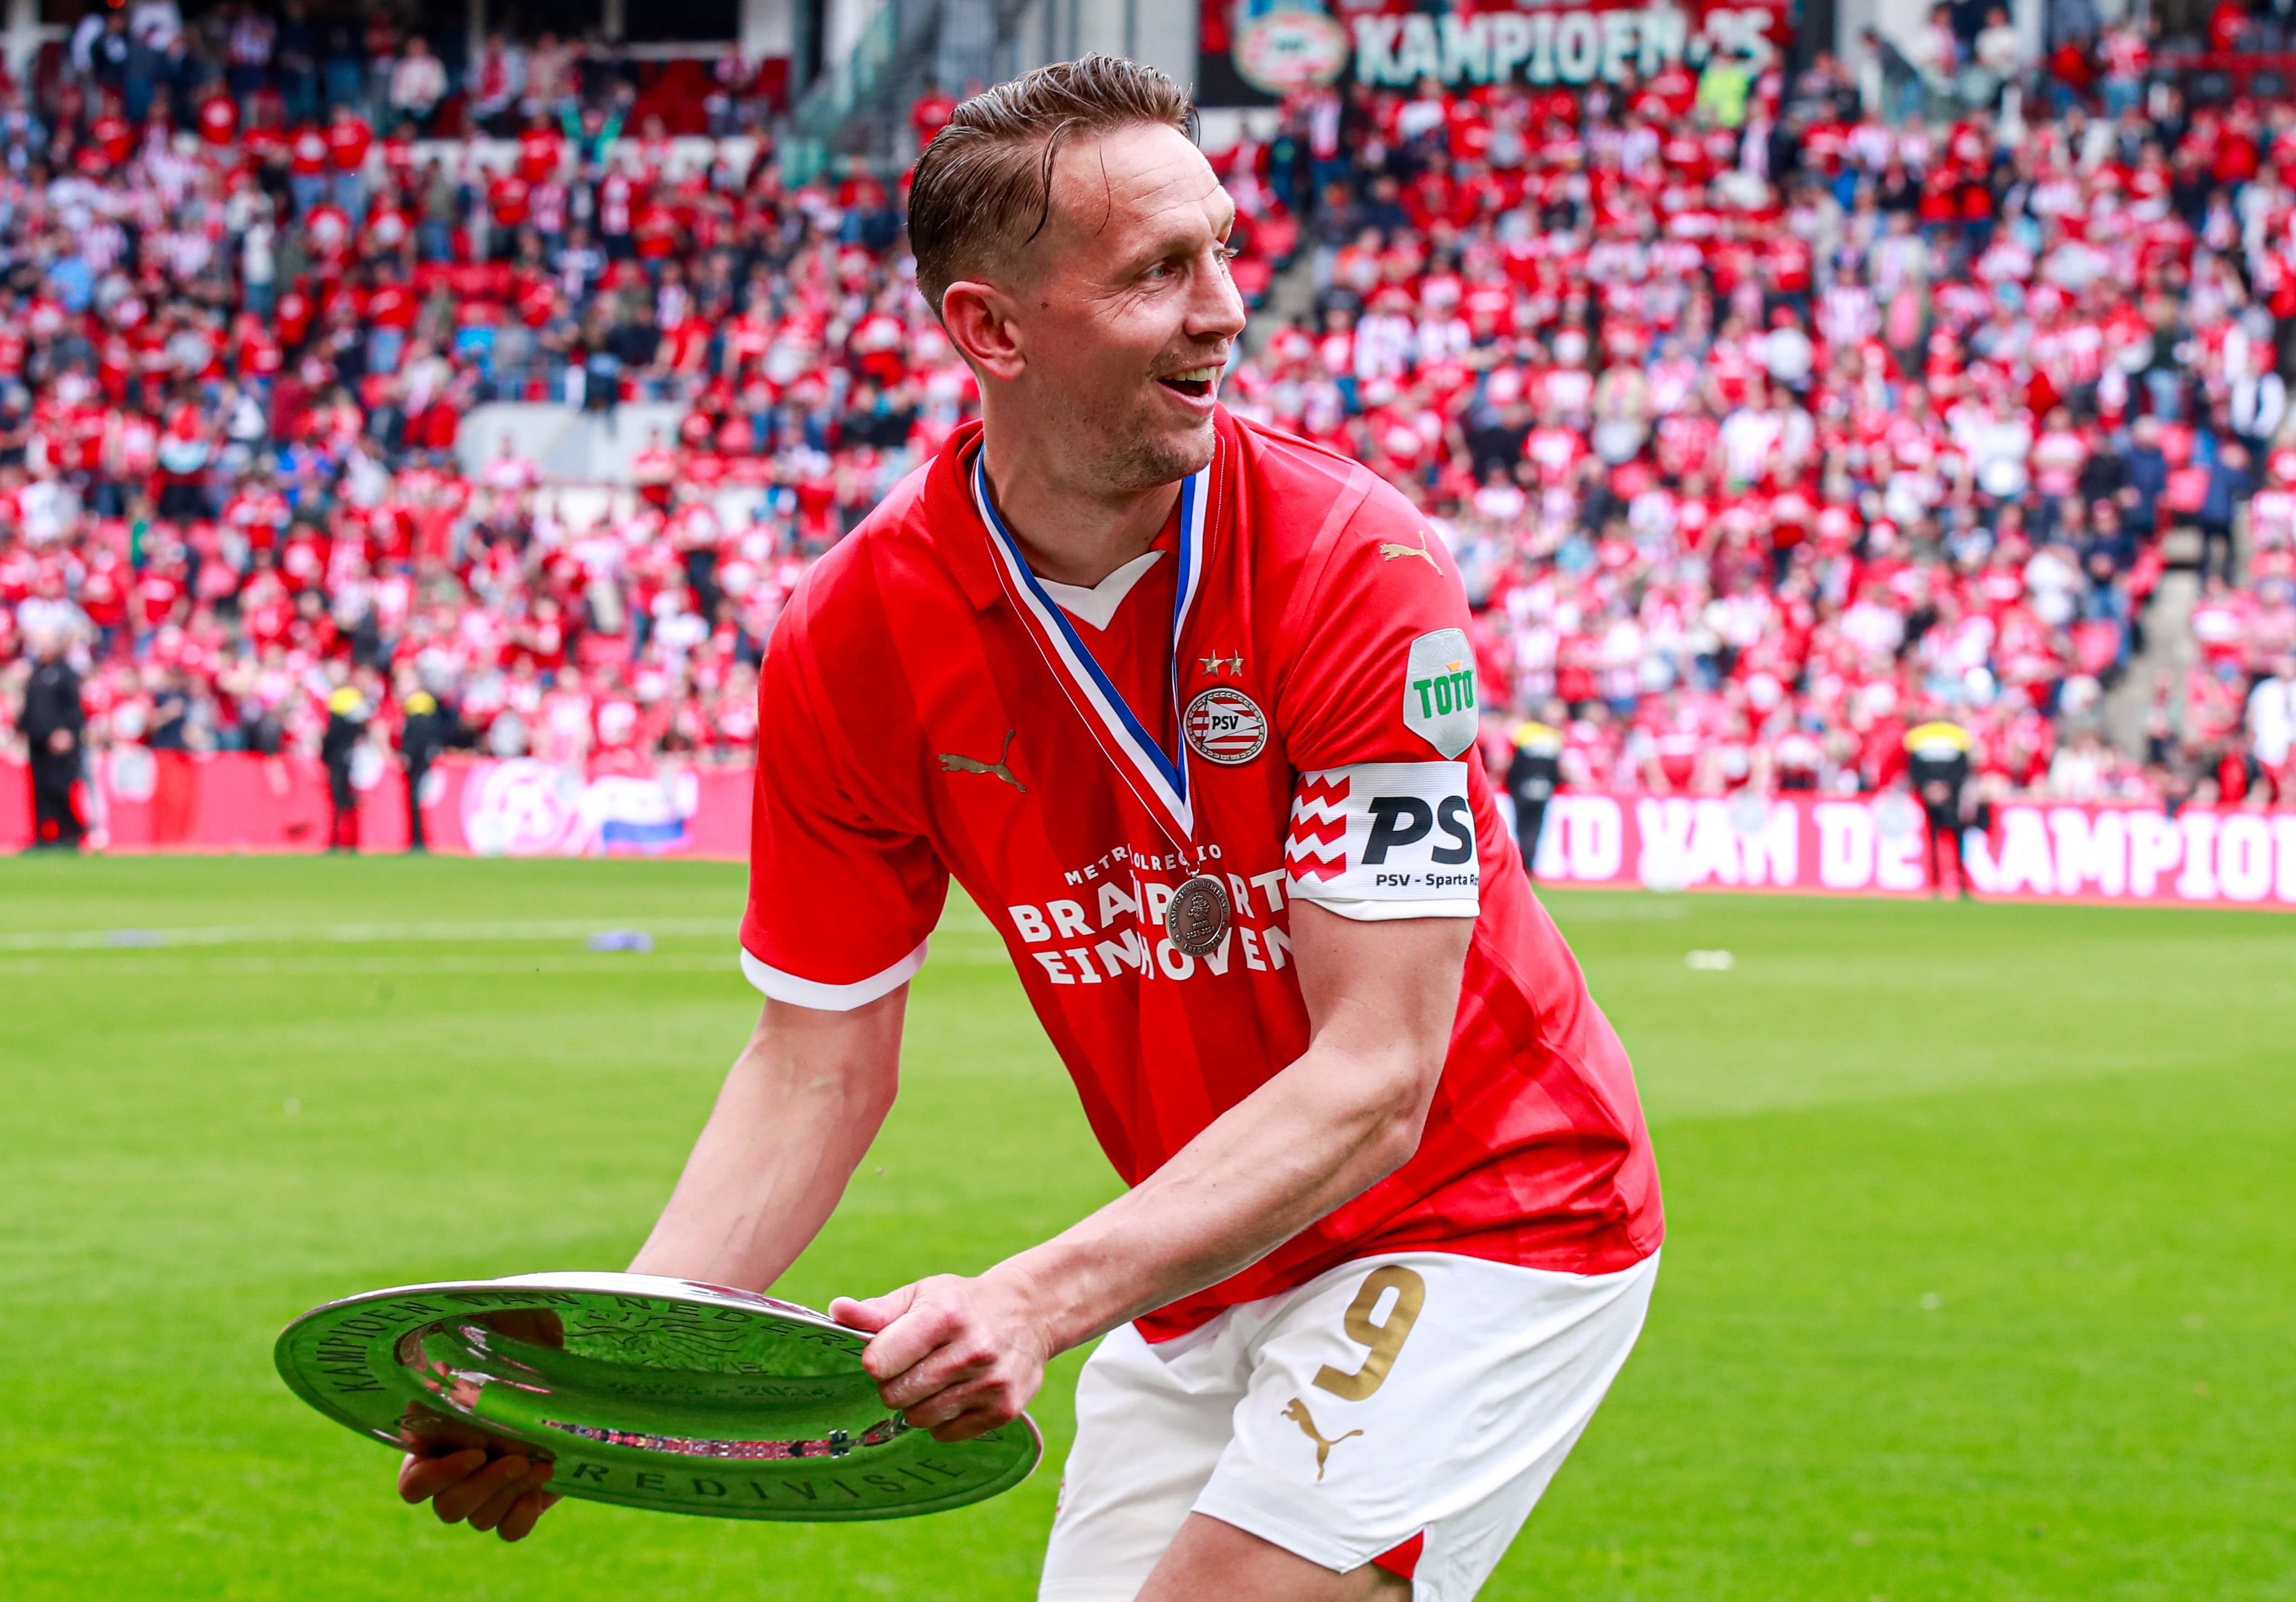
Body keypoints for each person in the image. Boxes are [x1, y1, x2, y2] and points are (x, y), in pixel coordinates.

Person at [391, 60, 1662, 1600]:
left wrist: (1036, 1297)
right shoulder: (856, 633)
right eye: (1159, 272)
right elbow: (814, 1062)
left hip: (1486, 1216)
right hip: (1205, 1266)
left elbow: (1379, 1078)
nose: (1225, 311)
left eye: (1222, 251)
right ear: (989, 329)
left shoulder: (1357, 566)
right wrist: (610, 1376)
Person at [20, 638, 86, 849]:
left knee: (59, 788)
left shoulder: (66, 674)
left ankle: (70, 831)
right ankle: (42, 834)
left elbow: (74, 709)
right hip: (37, 740)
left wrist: (67, 733)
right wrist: (21, 728)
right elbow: (30, 707)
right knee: (39, 790)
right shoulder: (36, 674)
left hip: (59, 742)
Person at [1904, 715, 1975, 899]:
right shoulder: (1953, 740)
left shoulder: (1926, 741)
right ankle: (1937, 882)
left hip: (1952, 800)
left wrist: (1942, 788)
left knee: (1956, 840)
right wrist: (1931, 788)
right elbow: (1914, 771)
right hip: (1937, 800)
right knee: (1935, 841)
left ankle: (1961, 883)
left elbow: (1963, 771)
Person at [1502, 703, 1566, 877]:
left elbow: (1509, 760)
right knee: (1535, 829)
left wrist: (1509, 783)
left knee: (1520, 827)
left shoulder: (1522, 732)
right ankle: (1529, 866)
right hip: (1544, 787)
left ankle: (1521, 866)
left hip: (1522, 786)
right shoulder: (1554, 737)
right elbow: (1558, 769)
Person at [396, 673, 444, 852]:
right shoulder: (426, 703)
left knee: (416, 801)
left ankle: (418, 841)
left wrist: (407, 753)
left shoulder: (417, 704)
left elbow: (416, 733)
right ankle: (421, 840)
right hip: (427, 760)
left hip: (419, 762)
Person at [321, 683, 369, 852]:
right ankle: (351, 840)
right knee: (348, 802)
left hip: (340, 763)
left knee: (340, 802)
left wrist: (325, 759)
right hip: (351, 763)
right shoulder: (357, 728)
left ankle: (338, 840)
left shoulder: (338, 720)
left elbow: (330, 741)